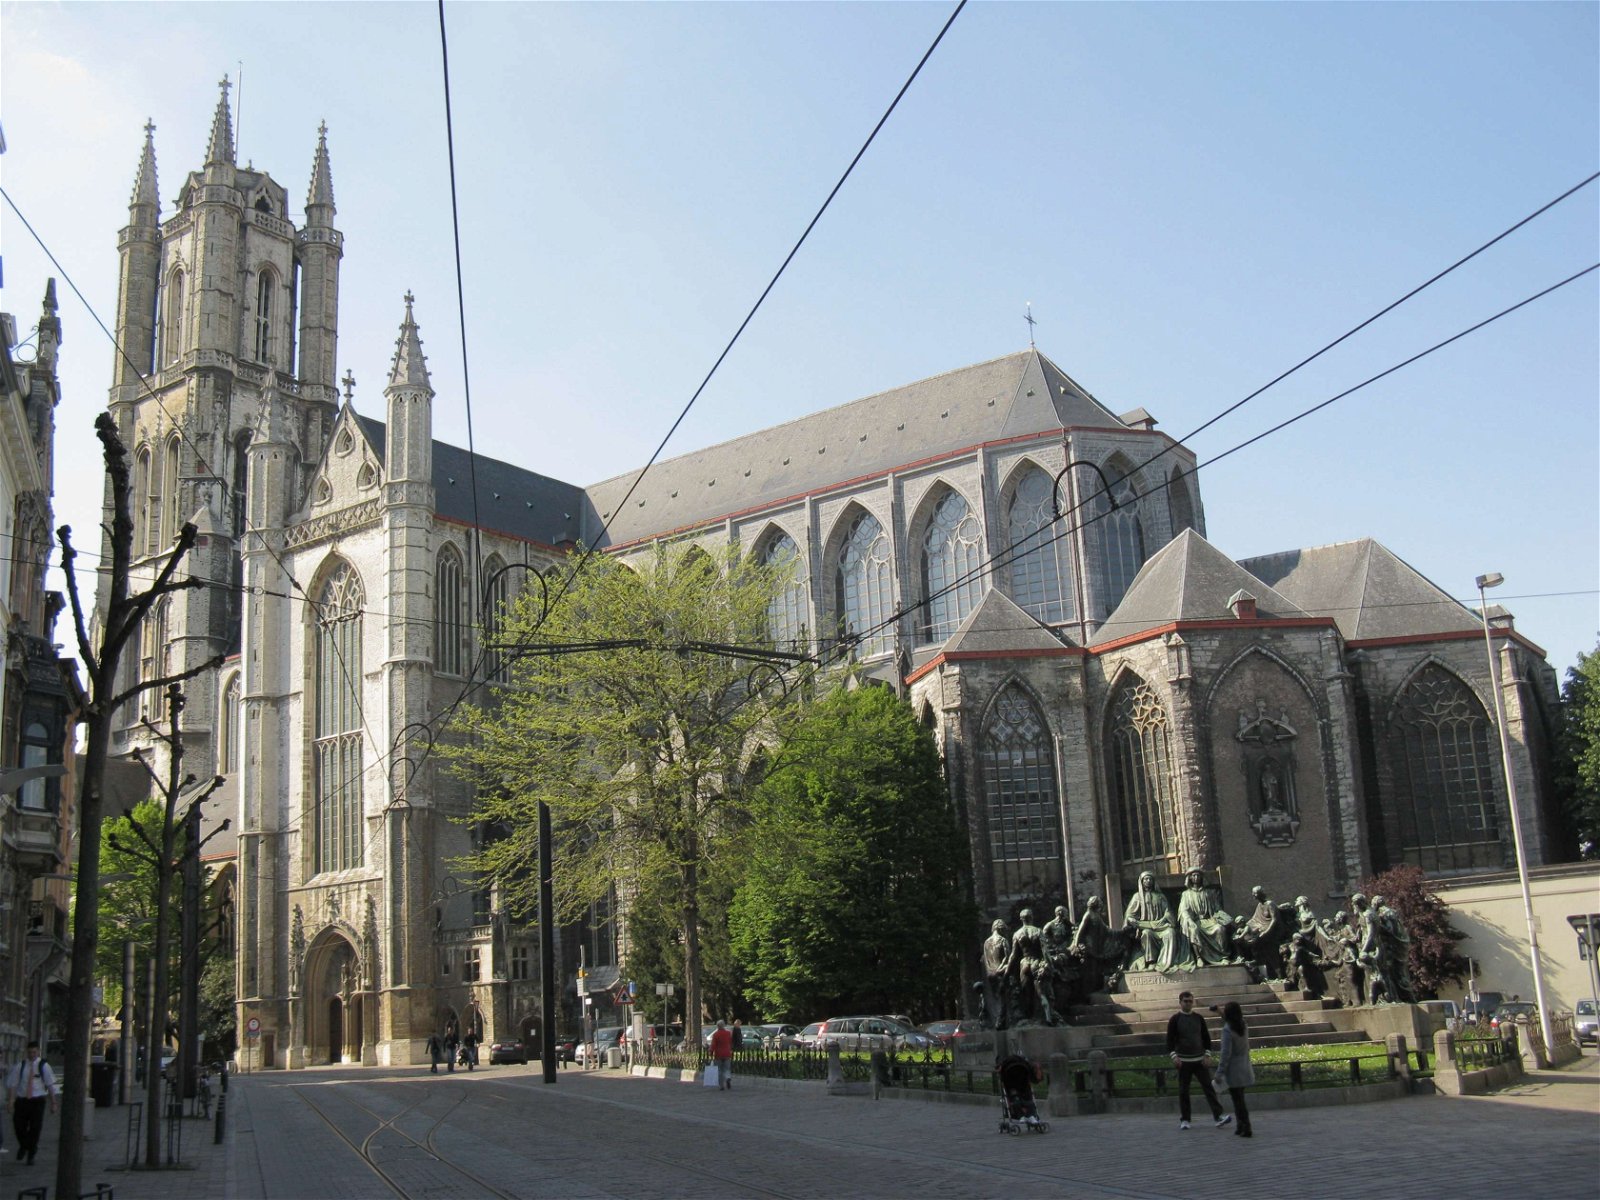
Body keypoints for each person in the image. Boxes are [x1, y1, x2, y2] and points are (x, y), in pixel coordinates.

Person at [1165, 991, 1230, 1131]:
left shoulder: (1199, 1018)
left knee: (1209, 1088)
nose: (1188, 1003)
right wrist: (1174, 1057)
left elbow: (1206, 1038)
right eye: (1185, 1001)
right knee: (1184, 1090)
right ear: (1180, 1002)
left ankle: (1218, 1116)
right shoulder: (1175, 1019)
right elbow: (1169, 1041)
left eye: (1190, 1001)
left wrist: (1207, 1055)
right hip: (1183, 1060)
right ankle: (1185, 1119)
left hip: (1199, 1060)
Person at [1125, 871, 1193, 973]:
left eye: (1150, 879)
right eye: (1146, 879)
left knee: (1170, 932)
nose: (1148, 881)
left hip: (1161, 926)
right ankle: (1151, 962)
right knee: (1146, 934)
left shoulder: (1160, 896)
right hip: (1146, 927)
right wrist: (1132, 920)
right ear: (1142, 882)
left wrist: (1167, 917)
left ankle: (1166, 962)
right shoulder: (1137, 897)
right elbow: (1129, 915)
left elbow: (1168, 912)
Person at [5, 1041, 59, 1165]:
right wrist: (11, 1101)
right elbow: (13, 1084)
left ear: (38, 1052)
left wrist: (54, 1102)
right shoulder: (21, 1066)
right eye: (29, 1052)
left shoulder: (43, 1066)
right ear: (26, 1052)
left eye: (34, 1052)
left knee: (35, 1128)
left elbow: (50, 1085)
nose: (32, 1054)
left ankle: (31, 1154)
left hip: (37, 1100)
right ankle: (24, 1145)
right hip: (22, 1100)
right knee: (19, 1126)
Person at [1213, 1001, 1254, 1138]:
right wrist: (1220, 1012)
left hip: (1233, 1069)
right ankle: (1240, 1125)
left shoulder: (1227, 1030)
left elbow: (1226, 1053)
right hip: (1244, 1065)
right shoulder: (1243, 1025)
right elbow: (1232, 1019)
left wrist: (1219, 1072)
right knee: (1240, 1098)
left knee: (1238, 1100)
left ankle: (1245, 1125)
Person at [709, 1020, 734, 1090]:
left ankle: (721, 1085)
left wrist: (711, 1051)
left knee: (719, 1070)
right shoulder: (728, 1033)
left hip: (718, 1054)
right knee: (727, 1068)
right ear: (724, 1025)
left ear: (717, 1026)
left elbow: (713, 1045)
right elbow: (730, 1042)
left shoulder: (716, 1034)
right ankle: (728, 1078)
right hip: (727, 1053)